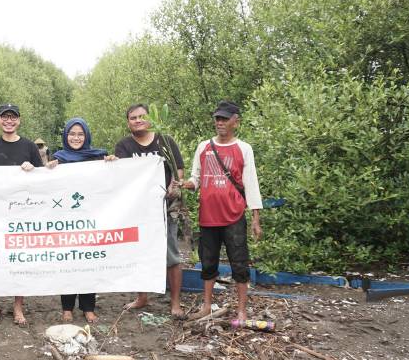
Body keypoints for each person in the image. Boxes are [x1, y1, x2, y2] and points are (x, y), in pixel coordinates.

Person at [182, 100, 262, 323]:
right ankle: (207, 306)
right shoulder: (203, 147)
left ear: (236, 121)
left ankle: (242, 310)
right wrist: (186, 184)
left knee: (239, 262)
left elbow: (251, 184)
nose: (220, 123)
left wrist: (256, 219)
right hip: (208, 216)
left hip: (234, 216)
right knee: (208, 263)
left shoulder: (243, 148)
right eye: (217, 118)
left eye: (225, 119)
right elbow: (195, 178)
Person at [0, 103, 44, 326]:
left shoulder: (30, 147)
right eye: (5, 117)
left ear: (19, 120)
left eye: (13, 117)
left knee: (19, 261)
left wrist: (32, 171)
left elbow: (42, 178)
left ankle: (18, 308)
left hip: (22, 213)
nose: (9, 121)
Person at [115, 103, 186, 318]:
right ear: (128, 122)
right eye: (133, 118)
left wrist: (176, 185)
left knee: (171, 253)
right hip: (138, 209)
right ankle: (142, 297)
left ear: (150, 118)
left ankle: (175, 302)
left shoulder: (164, 140)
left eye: (141, 116)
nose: (137, 120)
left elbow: (178, 169)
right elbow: (119, 173)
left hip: (165, 206)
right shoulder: (124, 146)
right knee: (139, 252)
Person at [48, 117, 116, 323]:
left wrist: (112, 164)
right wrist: (48, 169)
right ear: (66, 136)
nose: (76, 138)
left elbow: (111, 180)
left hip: (90, 218)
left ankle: (88, 307)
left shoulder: (98, 157)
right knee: (68, 262)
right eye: (72, 134)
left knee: (89, 262)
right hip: (67, 219)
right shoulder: (58, 157)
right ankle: (67, 307)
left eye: (80, 134)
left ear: (86, 136)